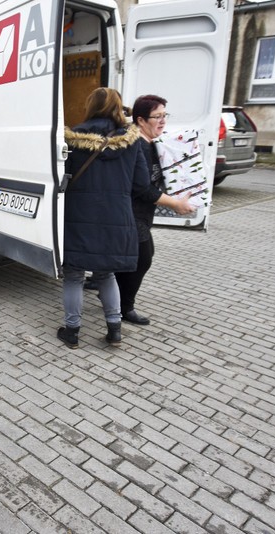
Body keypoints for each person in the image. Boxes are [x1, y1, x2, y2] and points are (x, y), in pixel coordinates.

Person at [59, 87, 152, 349]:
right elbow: (142, 184)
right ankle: (114, 330)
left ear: (91, 106)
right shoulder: (132, 140)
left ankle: (73, 331)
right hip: (117, 216)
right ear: (117, 107)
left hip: (78, 215)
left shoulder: (73, 138)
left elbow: (61, 179)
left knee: (74, 275)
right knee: (106, 274)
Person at [114, 94, 194, 326]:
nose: (162, 121)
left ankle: (113, 294)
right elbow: (142, 188)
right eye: (157, 116)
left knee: (135, 258)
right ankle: (123, 307)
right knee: (143, 258)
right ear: (141, 120)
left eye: (164, 115)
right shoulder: (138, 145)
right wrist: (174, 203)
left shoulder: (153, 144)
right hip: (131, 211)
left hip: (141, 212)